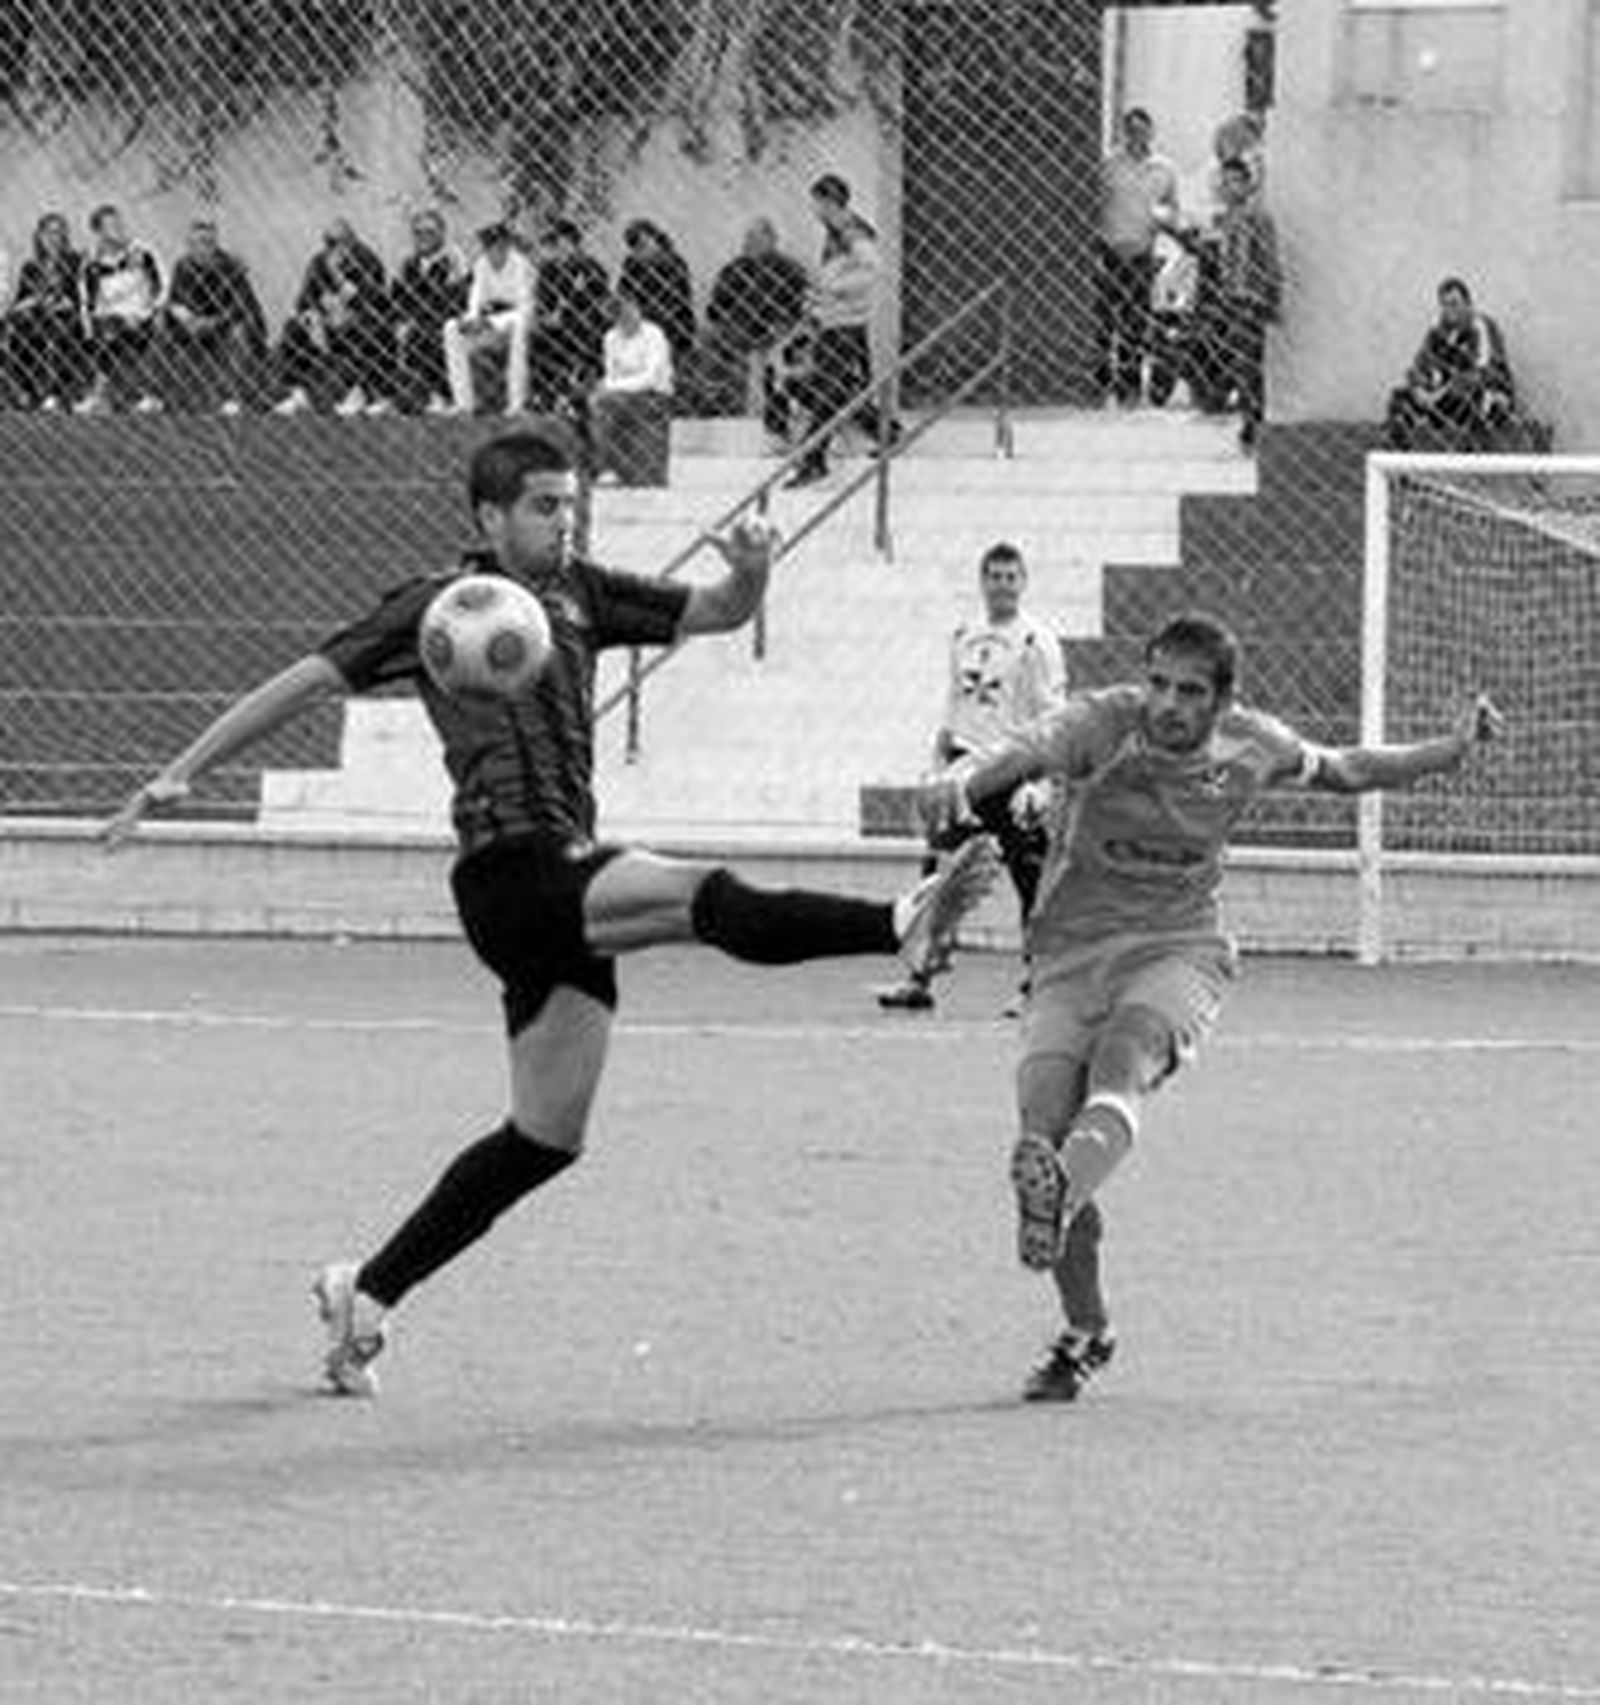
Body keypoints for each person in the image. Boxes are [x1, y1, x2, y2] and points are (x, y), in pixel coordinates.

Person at [102, 428, 1000, 1400]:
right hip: (511, 870)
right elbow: (310, 677)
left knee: (545, 1136)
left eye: (569, 503)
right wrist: (180, 770)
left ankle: (366, 1292)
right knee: (699, 895)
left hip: (559, 880)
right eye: (542, 505)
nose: (561, 521)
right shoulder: (437, 607)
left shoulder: (582, 592)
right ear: (488, 516)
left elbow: (717, 610)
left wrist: (752, 573)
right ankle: (897, 922)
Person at [915, 612, 1503, 1404]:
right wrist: (963, 777)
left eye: (1190, 691)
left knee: (1123, 1058)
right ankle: (1086, 1326)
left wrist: (1450, 750)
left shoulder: (1252, 744)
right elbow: (1025, 746)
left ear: (1223, 701)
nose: (1168, 703)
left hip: (1176, 947)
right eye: (1158, 683)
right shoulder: (1104, 722)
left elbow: (1349, 767)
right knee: (1042, 1132)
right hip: (1066, 955)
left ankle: (1059, 1200)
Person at [878, 542, 1066, 1015]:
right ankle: (919, 977)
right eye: (995, 576)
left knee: (1031, 879)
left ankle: (1037, 986)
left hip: (1010, 769)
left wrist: (1040, 782)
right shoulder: (964, 634)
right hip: (963, 772)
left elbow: (1053, 716)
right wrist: (940, 760)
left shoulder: (1036, 641)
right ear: (983, 581)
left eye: (1010, 577)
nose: (1002, 585)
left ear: (1023, 582)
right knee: (938, 877)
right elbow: (955, 702)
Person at [782, 174, 899, 488]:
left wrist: (835, 288)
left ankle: (814, 460)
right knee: (836, 390)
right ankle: (885, 430)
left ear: (828, 202)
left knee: (828, 391)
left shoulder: (850, 230)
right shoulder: (836, 232)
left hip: (845, 326)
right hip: (834, 323)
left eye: (816, 203)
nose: (813, 210)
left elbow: (873, 268)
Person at [1094, 108, 1180, 408]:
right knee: (1104, 323)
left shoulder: (1164, 170)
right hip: (1108, 251)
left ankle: (1129, 387)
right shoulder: (1107, 166)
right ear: (1124, 133)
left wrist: (1165, 220)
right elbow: (1094, 204)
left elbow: (1172, 208)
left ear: (1151, 132)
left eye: (1142, 130)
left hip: (1142, 253)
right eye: (1131, 130)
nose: (1137, 136)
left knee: (1135, 324)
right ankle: (1101, 384)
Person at [694, 216, 810, 429]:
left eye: (756, 238)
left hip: (775, 331)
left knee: (765, 353)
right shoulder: (735, 268)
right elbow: (717, 305)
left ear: (772, 239)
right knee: (708, 340)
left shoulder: (790, 269)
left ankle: (764, 415)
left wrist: (784, 324)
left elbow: (801, 305)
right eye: (748, 238)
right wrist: (714, 322)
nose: (750, 243)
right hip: (737, 330)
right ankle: (713, 405)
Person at [1198, 157, 1281, 451]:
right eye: (1225, 181)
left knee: (1249, 364)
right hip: (1231, 298)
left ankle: (1253, 424)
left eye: (1236, 180)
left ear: (1248, 184)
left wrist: (1268, 296)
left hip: (1250, 300)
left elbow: (1269, 259)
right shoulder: (1228, 217)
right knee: (1239, 361)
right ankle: (1248, 419)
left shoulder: (1257, 216)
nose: (1230, 187)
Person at [272, 220, 392, 416]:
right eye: (329, 242)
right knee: (294, 328)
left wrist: (337, 275)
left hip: (358, 321)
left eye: (341, 242)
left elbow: (373, 302)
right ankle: (298, 392)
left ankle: (358, 393)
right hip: (325, 324)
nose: (335, 248)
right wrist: (313, 317)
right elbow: (304, 299)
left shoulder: (368, 261)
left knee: (368, 329)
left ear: (352, 241)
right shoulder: (318, 262)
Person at [1385, 277, 1517, 453]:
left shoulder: (1482, 326)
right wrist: (1419, 388)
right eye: (1444, 304)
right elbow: (1420, 365)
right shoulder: (1438, 330)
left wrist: (1438, 394)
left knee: (1474, 396)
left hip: (1486, 397)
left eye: (1454, 303)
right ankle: (1398, 461)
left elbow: (1482, 373)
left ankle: (1472, 458)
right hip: (1448, 398)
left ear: (1468, 304)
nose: (1449, 310)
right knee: (1400, 399)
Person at [156, 218, 269, 415]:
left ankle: (232, 398)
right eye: (195, 243)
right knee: (159, 327)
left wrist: (211, 323)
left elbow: (240, 308)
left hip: (225, 327)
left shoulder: (231, 267)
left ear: (215, 246)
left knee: (238, 333)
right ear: (188, 245)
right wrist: (184, 317)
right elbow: (175, 301)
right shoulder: (183, 266)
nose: (201, 248)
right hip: (195, 327)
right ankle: (159, 396)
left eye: (207, 243)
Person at [76, 205, 165, 415]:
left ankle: (146, 396)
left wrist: (153, 310)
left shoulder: (142, 252)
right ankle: (103, 398)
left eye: (119, 223)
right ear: (98, 232)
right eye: (110, 226)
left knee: (128, 333)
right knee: (107, 332)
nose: (118, 229)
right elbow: (87, 302)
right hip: (110, 319)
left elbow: (163, 284)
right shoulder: (91, 263)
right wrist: (90, 329)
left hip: (143, 314)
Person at [442, 222, 536, 417]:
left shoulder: (521, 265)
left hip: (517, 320)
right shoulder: (481, 264)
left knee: (519, 325)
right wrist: (471, 319)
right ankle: (463, 402)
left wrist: (492, 322)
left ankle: (516, 402)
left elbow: (525, 307)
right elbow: (475, 299)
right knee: (450, 327)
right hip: (490, 319)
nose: (494, 250)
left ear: (507, 245)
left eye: (499, 245)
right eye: (489, 245)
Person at [4, 212, 89, 411]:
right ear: (39, 236)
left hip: (66, 316)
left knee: (53, 329)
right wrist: (31, 302)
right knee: (18, 331)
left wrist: (61, 301)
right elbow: (21, 300)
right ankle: (26, 391)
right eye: (48, 232)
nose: (53, 238)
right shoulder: (31, 267)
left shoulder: (75, 262)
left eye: (58, 232)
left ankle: (54, 393)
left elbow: (80, 296)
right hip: (36, 317)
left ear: (64, 237)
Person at [588, 289, 674, 485]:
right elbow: (611, 373)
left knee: (604, 403)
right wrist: (609, 387)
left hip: (653, 395)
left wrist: (611, 386)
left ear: (636, 309)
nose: (627, 318)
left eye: (629, 311)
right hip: (620, 395)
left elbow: (650, 378)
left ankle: (606, 467)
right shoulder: (610, 338)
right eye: (618, 315)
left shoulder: (654, 334)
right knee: (597, 404)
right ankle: (604, 466)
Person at [391, 209, 471, 415]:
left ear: (442, 234)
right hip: (413, 321)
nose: (423, 238)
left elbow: (457, 299)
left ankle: (440, 395)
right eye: (418, 233)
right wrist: (401, 320)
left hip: (445, 320)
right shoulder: (408, 263)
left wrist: (417, 319)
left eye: (429, 232)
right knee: (382, 331)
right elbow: (397, 297)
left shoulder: (454, 260)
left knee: (431, 333)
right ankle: (387, 395)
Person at [526, 219, 611, 415]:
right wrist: (546, 316)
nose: (555, 248)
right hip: (553, 327)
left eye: (558, 242)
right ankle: (547, 395)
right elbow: (542, 301)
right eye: (552, 244)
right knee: (534, 340)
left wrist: (566, 315)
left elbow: (597, 301)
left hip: (583, 324)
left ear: (571, 242)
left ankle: (574, 394)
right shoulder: (548, 270)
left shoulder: (591, 267)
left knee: (583, 333)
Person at [616, 219, 696, 379]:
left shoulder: (674, 262)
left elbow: (680, 299)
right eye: (636, 248)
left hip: (673, 322)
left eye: (644, 245)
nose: (641, 252)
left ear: (656, 239)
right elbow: (623, 292)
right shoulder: (632, 265)